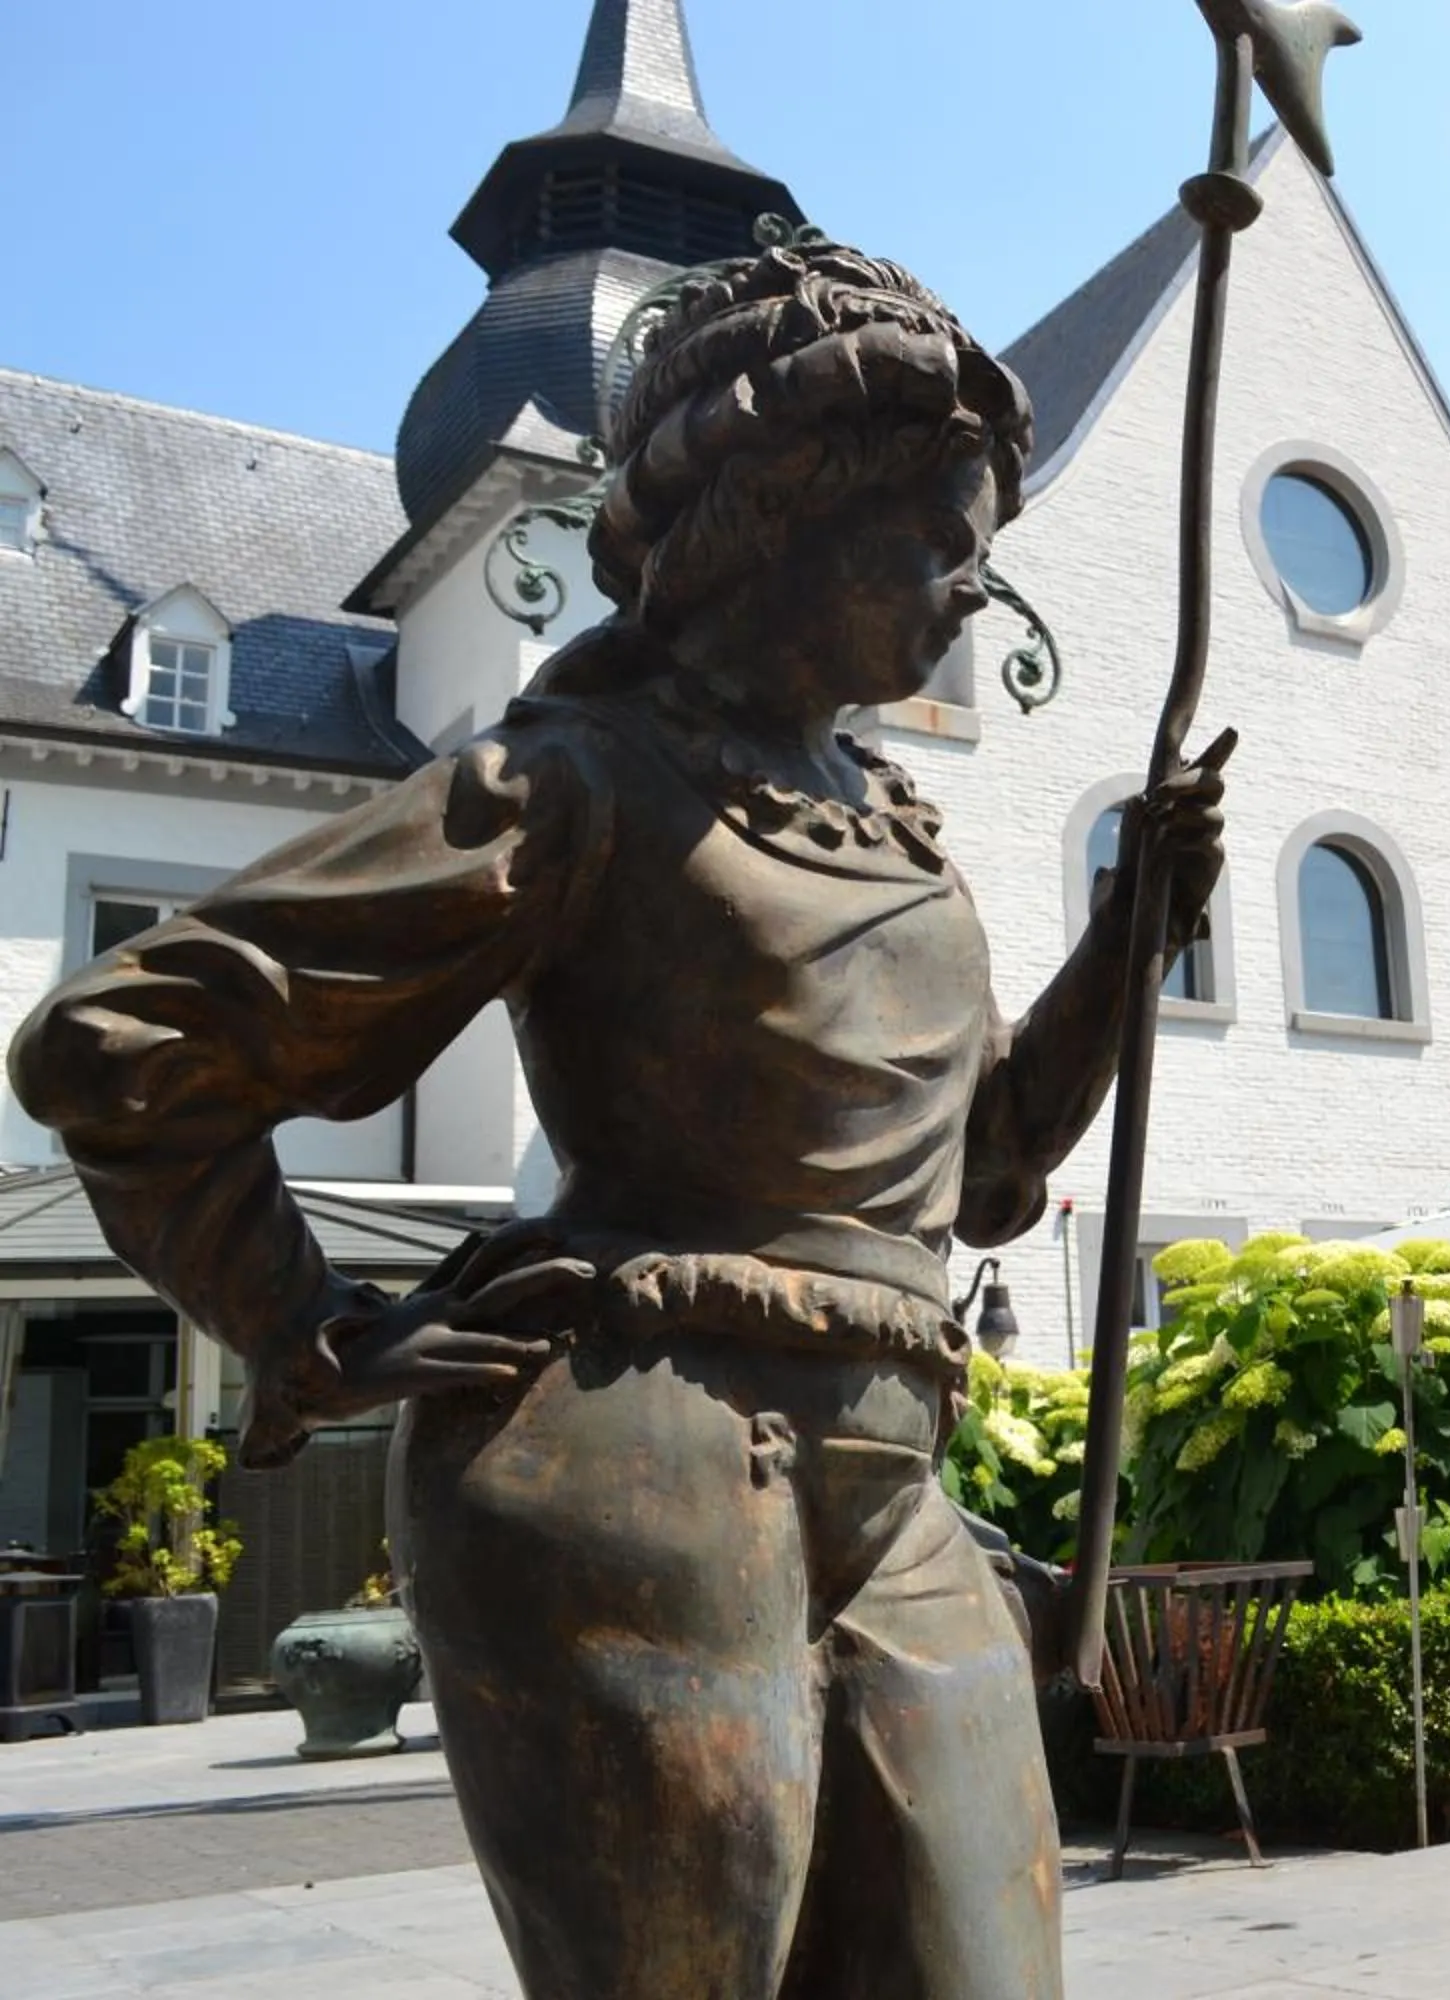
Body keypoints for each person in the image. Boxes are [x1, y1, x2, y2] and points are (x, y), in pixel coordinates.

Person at [8, 237, 1225, 1999]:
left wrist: (1133, 937)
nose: (973, 596)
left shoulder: (893, 835)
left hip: (899, 1486)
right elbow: (122, 1047)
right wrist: (302, 1322)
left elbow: (981, 1176)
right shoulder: (572, 782)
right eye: (943, 545)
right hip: (638, 1463)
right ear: (781, 512)